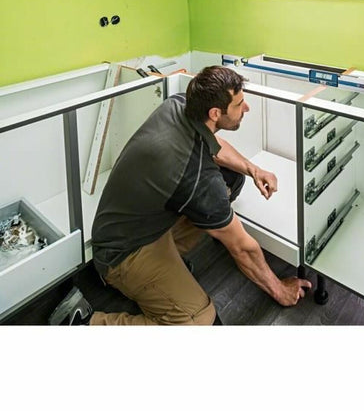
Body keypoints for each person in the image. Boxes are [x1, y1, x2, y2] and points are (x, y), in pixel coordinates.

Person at [49, 65, 312, 325]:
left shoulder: (179, 104)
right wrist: (279, 289)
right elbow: (243, 248)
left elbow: (214, 144)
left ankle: (168, 266)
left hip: (129, 224)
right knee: (201, 322)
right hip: (123, 254)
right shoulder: (195, 177)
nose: (247, 108)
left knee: (232, 179)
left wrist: (254, 169)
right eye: (239, 104)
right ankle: (82, 322)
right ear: (215, 113)